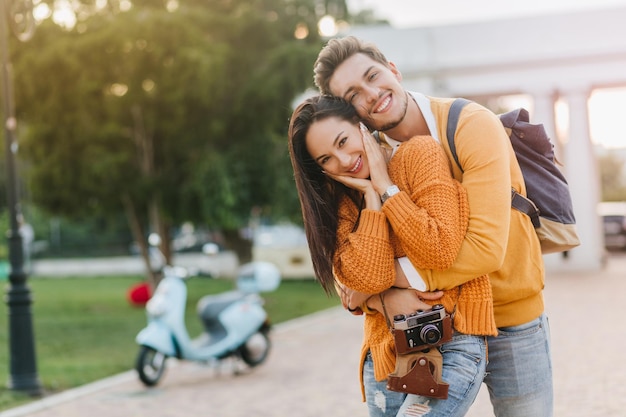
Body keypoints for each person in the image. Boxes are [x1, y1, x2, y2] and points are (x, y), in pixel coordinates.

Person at [313, 36, 552, 417]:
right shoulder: (359, 158)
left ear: (393, 70)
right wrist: (381, 297)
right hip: (430, 328)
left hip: (512, 318)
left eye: (373, 76)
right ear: (349, 112)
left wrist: (384, 283)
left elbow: (486, 249)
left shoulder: (470, 124)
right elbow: (349, 280)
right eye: (354, 94)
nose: (372, 94)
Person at [288, 94, 497, 417]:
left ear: (361, 126)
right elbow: (368, 279)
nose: (343, 161)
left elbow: (439, 248)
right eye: (326, 160)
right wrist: (371, 200)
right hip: (384, 354)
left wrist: (386, 188)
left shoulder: (419, 154)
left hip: (452, 340)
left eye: (343, 141)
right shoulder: (342, 203)